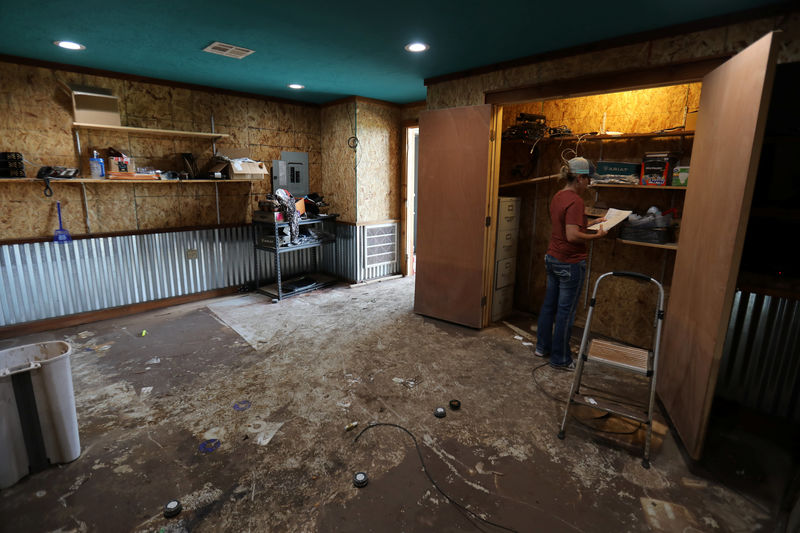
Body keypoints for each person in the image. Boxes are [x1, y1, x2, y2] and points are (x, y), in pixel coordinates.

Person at [535, 157, 608, 370]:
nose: (589, 184)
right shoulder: (576, 201)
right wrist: (597, 236)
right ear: (579, 178)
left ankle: (542, 347)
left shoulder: (559, 196)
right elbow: (572, 236)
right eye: (587, 180)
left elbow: (567, 225)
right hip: (569, 263)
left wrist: (593, 222)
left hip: (553, 258)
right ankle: (560, 359)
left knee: (549, 306)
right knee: (565, 312)